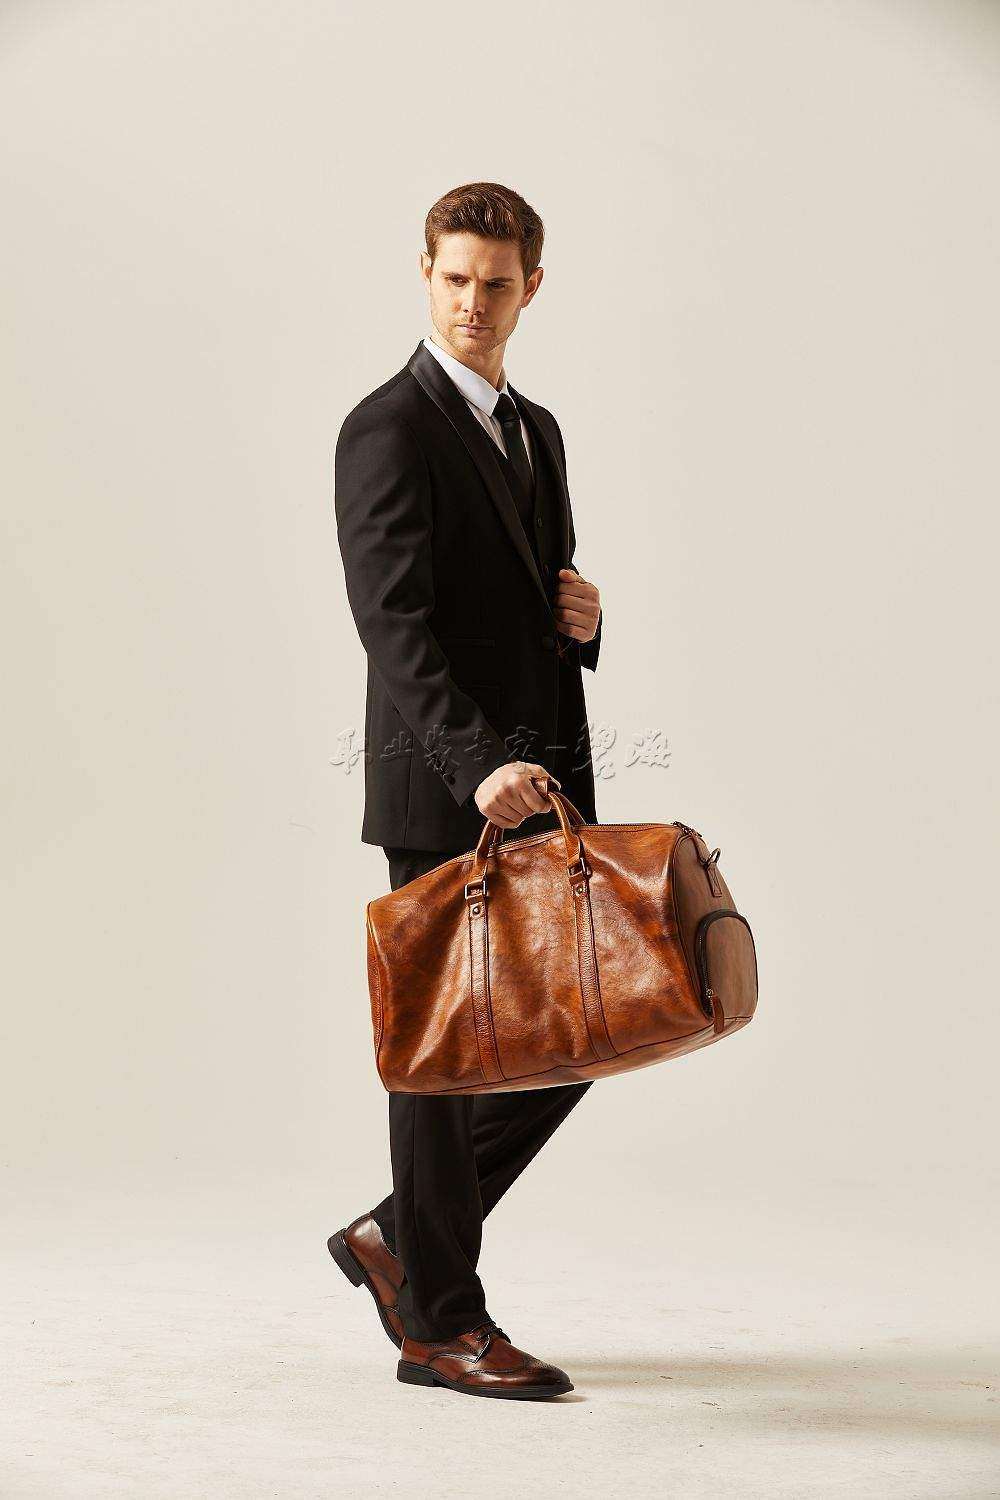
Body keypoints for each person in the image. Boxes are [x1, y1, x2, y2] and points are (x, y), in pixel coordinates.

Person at [330, 181, 604, 1400]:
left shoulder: (535, 428)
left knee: (578, 1036)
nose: (473, 304)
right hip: (446, 785)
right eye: (454, 279)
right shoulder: (386, 427)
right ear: (425, 275)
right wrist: (473, 761)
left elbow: (528, 593)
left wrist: (580, 616)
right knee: (442, 1061)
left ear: (531, 287)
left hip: (538, 784)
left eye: (497, 284)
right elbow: (393, 622)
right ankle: (440, 1323)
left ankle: (397, 1235)